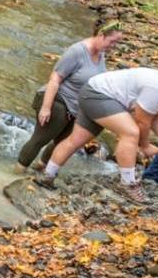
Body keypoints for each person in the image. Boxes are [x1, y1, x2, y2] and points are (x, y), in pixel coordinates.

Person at [39, 67, 158, 202]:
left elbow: (154, 115)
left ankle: (47, 176)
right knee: (131, 133)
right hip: (98, 95)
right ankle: (128, 183)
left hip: (92, 91)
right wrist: (145, 146)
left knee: (76, 140)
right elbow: (142, 121)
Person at [14, 21, 122, 174]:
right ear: (101, 35)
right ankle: (16, 173)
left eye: (117, 43)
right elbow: (55, 78)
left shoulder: (101, 52)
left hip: (77, 108)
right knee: (40, 139)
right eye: (112, 41)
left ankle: (39, 169)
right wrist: (46, 108)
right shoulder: (77, 51)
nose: (114, 46)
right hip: (58, 100)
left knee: (63, 143)